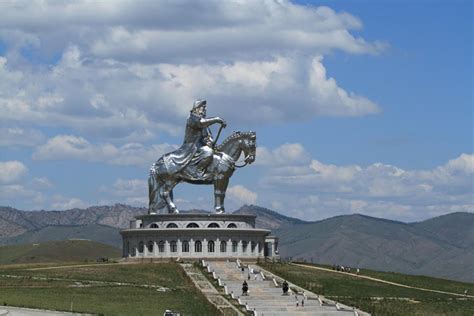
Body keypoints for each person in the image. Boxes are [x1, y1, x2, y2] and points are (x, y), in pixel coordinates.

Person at [158, 99, 226, 179]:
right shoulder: (192, 118)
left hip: (200, 145)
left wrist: (209, 141)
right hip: (192, 146)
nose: (205, 109)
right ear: (197, 108)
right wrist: (217, 119)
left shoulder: (203, 121)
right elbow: (200, 123)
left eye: (205, 107)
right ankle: (198, 171)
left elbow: (206, 135)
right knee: (208, 152)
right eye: (203, 107)